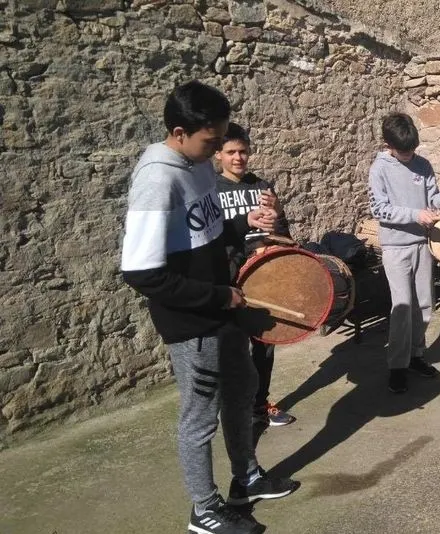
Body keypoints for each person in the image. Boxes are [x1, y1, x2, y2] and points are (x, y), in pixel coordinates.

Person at [120, 81, 299, 534]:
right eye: (211, 141)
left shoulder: (198, 164)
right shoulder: (157, 179)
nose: (219, 149)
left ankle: (247, 478)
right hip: (192, 322)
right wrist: (218, 296)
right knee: (199, 417)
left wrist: (244, 225)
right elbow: (141, 273)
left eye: (222, 140)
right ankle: (204, 509)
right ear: (179, 132)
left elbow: (208, 232)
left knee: (243, 392)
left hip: (225, 310)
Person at [368, 112, 440, 394]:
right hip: (396, 248)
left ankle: (416, 356)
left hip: (422, 245)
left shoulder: (423, 165)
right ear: (388, 144)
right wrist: (415, 215)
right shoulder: (379, 169)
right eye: (403, 151)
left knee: (424, 304)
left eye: (412, 150)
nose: (409, 155)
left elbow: (432, 203)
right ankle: (397, 366)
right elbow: (379, 209)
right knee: (402, 308)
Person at [215, 122, 296, 428]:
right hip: (231, 279)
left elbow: (284, 233)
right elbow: (211, 238)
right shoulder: (211, 190)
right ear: (218, 155)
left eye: (243, 152)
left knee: (265, 345)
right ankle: (235, 409)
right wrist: (243, 222)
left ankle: (260, 406)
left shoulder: (261, 186)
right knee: (233, 351)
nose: (238, 158)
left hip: (265, 277)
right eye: (231, 152)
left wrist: (276, 220)